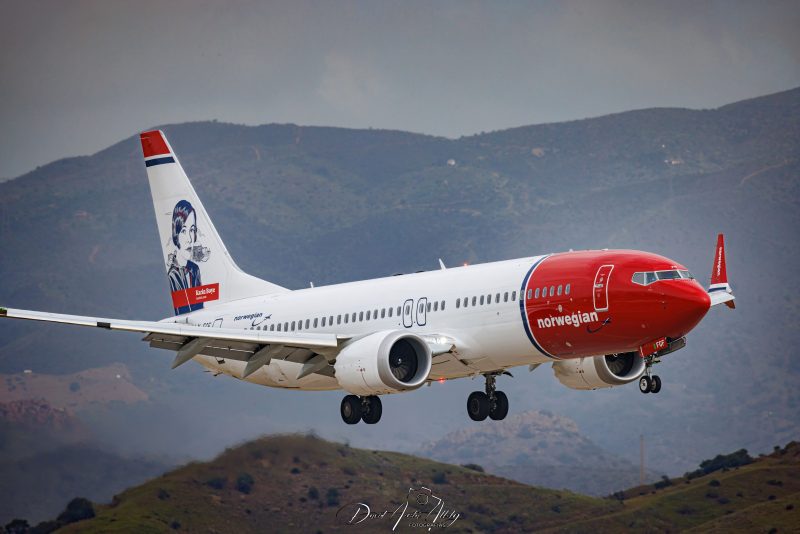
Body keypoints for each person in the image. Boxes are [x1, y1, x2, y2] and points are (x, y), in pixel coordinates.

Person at [167, 200, 207, 314]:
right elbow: (183, 311)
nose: (190, 239)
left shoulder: (195, 269)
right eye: (184, 231)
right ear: (176, 234)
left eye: (192, 230)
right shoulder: (173, 274)